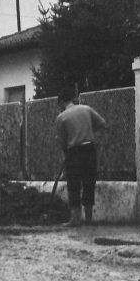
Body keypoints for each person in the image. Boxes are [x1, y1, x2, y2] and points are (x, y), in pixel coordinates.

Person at [54, 90, 107, 227]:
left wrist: (66, 155)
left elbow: (62, 141)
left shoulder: (61, 117)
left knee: (74, 185)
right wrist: (89, 132)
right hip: (90, 149)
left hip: (73, 152)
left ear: (61, 102)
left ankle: (75, 219)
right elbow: (102, 123)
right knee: (89, 183)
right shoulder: (87, 109)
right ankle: (89, 218)